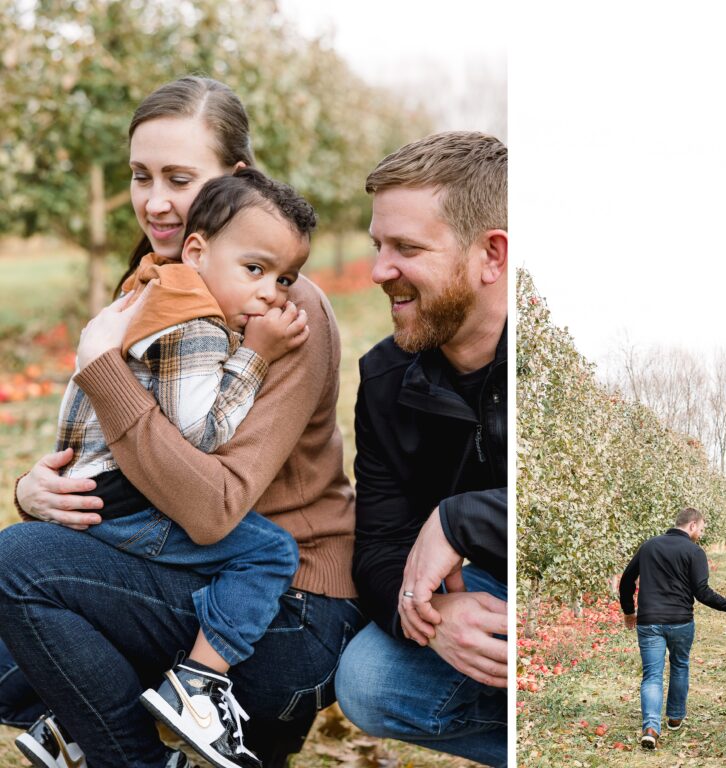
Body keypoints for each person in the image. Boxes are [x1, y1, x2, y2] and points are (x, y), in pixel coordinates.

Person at [0, 76, 362, 768]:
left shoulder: (284, 311)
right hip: (182, 569)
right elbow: (114, 437)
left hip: (279, 609)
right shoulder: (157, 280)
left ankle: (132, 742)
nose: (155, 202)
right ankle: (93, 718)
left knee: (16, 566)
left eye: (179, 178)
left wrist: (101, 366)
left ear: (237, 178)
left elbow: (213, 508)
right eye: (141, 176)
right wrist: (32, 490)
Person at [333, 131, 508, 768]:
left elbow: (586, 510)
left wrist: (459, 518)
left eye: (406, 248)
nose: (380, 271)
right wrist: (434, 615)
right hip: (485, 591)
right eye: (378, 245)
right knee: (369, 681)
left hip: (562, 587)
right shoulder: (385, 380)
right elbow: (379, 545)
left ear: (491, 255)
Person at [619, 507, 726, 751]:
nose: (701, 533)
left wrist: (628, 611)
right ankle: (675, 717)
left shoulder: (649, 546)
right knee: (679, 666)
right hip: (680, 621)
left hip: (649, 621)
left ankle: (651, 728)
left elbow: (626, 581)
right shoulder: (694, 551)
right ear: (692, 525)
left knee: (652, 675)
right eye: (701, 528)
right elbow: (702, 592)